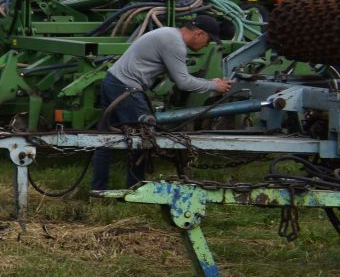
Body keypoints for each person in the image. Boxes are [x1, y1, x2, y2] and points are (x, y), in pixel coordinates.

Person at [90, 15, 235, 194]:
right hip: (126, 89)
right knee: (144, 140)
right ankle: (135, 192)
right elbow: (183, 83)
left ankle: (97, 190)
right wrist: (214, 85)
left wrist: (209, 82)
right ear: (199, 33)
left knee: (105, 140)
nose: (207, 45)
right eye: (208, 40)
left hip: (112, 81)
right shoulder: (175, 45)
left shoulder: (169, 33)